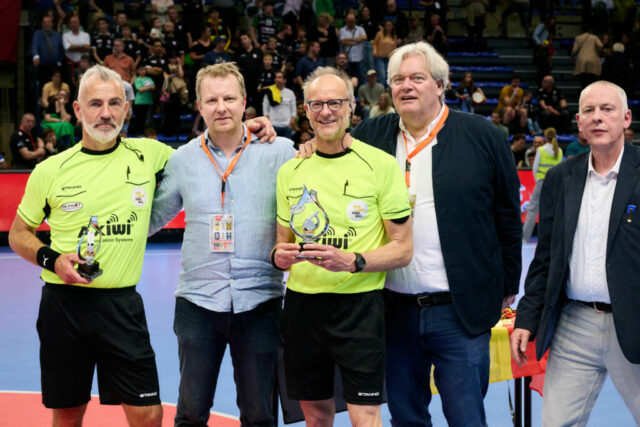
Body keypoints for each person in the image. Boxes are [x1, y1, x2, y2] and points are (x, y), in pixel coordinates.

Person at [348, 41, 522, 426]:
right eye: (398, 79)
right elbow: (327, 153)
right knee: (406, 418)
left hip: (459, 311)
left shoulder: (483, 136)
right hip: (392, 309)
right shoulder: (368, 136)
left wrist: (509, 283)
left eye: (417, 78)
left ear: (440, 85)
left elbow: (508, 216)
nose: (405, 86)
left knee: (466, 418)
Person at [8, 65, 173, 427]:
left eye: (114, 103)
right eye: (95, 103)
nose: (106, 113)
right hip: (64, 306)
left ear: (126, 108)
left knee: (148, 414)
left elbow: (209, 153)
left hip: (122, 305)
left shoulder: (150, 155)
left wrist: (255, 130)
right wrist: (53, 260)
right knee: (68, 415)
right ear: (78, 110)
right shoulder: (51, 170)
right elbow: (18, 234)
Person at [148, 62, 292, 427]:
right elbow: (149, 220)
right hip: (198, 302)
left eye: (229, 98)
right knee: (191, 414)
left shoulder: (282, 153)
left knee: (260, 417)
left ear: (245, 102)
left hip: (260, 300)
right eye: (211, 100)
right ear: (199, 106)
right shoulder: (182, 160)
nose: (221, 107)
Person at [273, 66, 413, 426]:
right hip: (302, 308)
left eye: (335, 103)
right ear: (305, 111)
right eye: (316, 104)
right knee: (316, 415)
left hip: (360, 309)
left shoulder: (380, 165)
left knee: (364, 415)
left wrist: (353, 261)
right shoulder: (291, 171)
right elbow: (280, 246)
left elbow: (403, 249)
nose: (326, 112)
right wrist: (278, 256)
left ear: (351, 107)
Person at [510, 81, 640, 425]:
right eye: (589, 111)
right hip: (573, 326)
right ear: (579, 123)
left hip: (634, 323)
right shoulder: (560, 178)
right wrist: (526, 318)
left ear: (626, 118)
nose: (598, 117)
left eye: (607, 109)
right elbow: (545, 260)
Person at [522, 127, 563, 242]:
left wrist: (538, 180)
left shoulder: (541, 150)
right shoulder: (559, 151)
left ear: (545, 137)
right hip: (555, 184)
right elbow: (561, 169)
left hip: (541, 182)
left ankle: (525, 238)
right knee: (553, 211)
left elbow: (535, 168)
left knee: (532, 210)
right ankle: (554, 238)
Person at [32, 15, 65, 90]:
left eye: (48, 22)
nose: (46, 24)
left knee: (55, 86)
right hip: (42, 66)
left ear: (52, 24)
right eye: (44, 22)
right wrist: (36, 56)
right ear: (42, 24)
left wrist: (59, 61)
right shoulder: (38, 34)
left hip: (55, 66)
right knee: (43, 86)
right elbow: (35, 46)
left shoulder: (57, 35)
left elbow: (61, 49)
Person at [263, 70, 296, 139]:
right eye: (276, 77)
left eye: (279, 77)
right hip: (273, 125)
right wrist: (268, 123)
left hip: (287, 125)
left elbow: (293, 110)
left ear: (284, 80)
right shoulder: (269, 92)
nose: (277, 79)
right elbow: (265, 108)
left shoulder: (290, 93)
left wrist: (291, 123)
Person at [572, 25, 604, 90]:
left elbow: (574, 50)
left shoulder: (578, 38)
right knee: (592, 78)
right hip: (593, 59)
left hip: (582, 60)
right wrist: (597, 51)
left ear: (581, 30)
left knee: (583, 80)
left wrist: (572, 55)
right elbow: (600, 46)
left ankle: (584, 92)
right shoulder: (594, 37)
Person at [373, 20, 398, 86]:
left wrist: (395, 56)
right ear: (384, 26)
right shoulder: (379, 33)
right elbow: (374, 44)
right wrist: (374, 51)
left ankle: (387, 90)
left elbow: (395, 47)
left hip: (389, 58)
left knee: (388, 76)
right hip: (379, 57)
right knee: (382, 75)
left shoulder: (394, 35)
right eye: (387, 25)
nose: (388, 27)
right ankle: (380, 90)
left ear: (392, 27)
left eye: (390, 25)